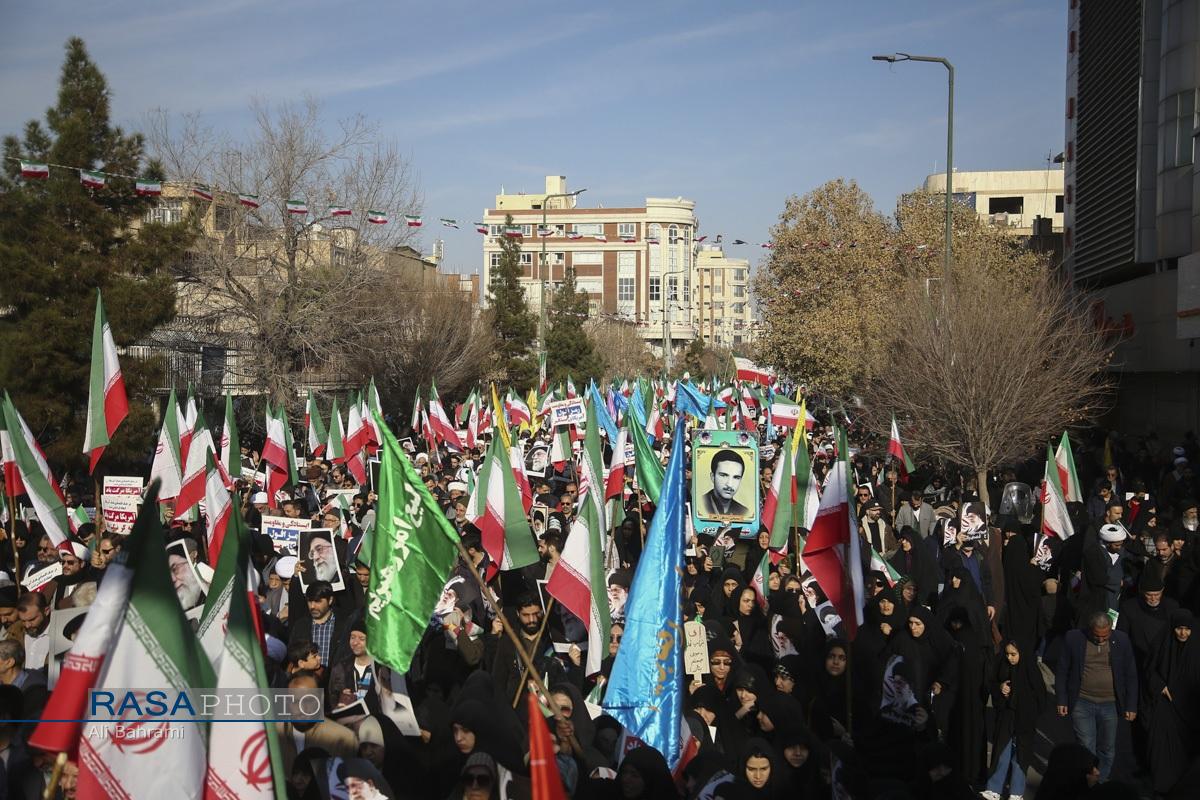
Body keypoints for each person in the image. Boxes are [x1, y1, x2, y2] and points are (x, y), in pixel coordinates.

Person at [1054, 611, 1138, 780]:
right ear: (1089, 629)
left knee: (1107, 748)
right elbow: (1062, 670)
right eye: (1097, 636)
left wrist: (1131, 705)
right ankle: (1087, 782)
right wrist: (1062, 699)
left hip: (1110, 704)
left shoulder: (1122, 640)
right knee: (1085, 746)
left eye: (1105, 636)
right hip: (1082, 701)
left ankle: (1100, 783)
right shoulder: (1074, 638)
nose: (1100, 639)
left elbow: (1130, 674)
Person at [1144, 609, 1200, 796]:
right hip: (1166, 705)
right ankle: (1162, 786)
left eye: (1187, 629)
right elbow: (1150, 669)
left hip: (1191, 710)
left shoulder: (1196, 648)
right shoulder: (1162, 644)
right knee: (1161, 749)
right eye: (1179, 628)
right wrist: (1160, 686)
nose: (1183, 633)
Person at [982, 639, 1046, 800]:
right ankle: (994, 788)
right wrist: (1000, 687)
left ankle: (1016, 792)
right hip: (1006, 716)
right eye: (1007, 654)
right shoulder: (1002, 666)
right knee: (1002, 752)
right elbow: (992, 683)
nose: (1009, 658)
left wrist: (1019, 698)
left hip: (1025, 719)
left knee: (1021, 756)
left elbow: (1040, 695)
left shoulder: (1030, 669)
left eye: (1013, 654)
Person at [701, 451, 750, 518]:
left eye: (736, 477)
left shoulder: (744, 512)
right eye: (723, 475)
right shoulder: (700, 504)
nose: (730, 484)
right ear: (712, 477)